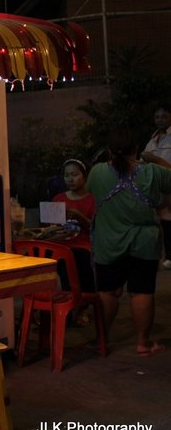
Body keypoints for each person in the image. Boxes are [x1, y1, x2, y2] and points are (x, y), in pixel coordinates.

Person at [87, 127, 171, 357]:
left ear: (109, 151)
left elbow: (90, 192)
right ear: (136, 149)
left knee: (108, 292)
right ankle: (143, 343)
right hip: (144, 244)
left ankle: (101, 340)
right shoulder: (152, 171)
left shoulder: (97, 173)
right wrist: (155, 159)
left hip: (109, 243)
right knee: (141, 292)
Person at [52, 158, 96, 325]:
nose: (70, 179)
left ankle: (84, 307)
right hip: (61, 244)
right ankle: (67, 305)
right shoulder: (58, 198)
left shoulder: (91, 200)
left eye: (75, 175)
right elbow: (50, 226)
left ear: (84, 177)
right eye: (67, 175)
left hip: (81, 244)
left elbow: (94, 227)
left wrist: (79, 216)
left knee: (81, 261)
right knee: (60, 264)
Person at [141, 102, 171, 268]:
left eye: (164, 116)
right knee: (163, 223)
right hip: (157, 190)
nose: (160, 120)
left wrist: (155, 160)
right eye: (157, 117)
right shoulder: (153, 140)